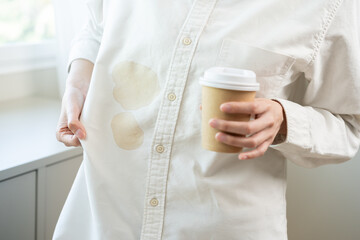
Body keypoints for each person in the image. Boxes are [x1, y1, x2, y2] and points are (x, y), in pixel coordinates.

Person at [54, 0, 360, 239]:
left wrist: (283, 121)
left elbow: (349, 124)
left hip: (221, 227)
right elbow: (97, 28)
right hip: (103, 216)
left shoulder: (328, 6)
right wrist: (77, 86)